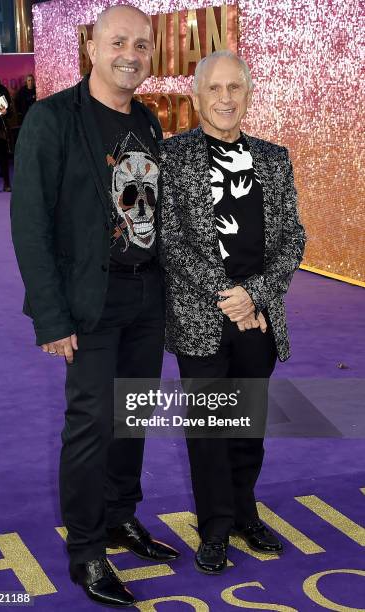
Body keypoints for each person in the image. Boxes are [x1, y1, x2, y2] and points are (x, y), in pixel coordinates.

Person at [11, 5, 179, 608]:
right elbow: (30, 226)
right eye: (117, 42)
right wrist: (51, 319)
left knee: (131, 417)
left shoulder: (150, 121)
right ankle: (86, 549)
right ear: (91, 47)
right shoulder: (53, 120)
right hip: (89, 301)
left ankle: (119, 516)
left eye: (141, 44)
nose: (129, 54)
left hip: (146, 296)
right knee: (90, 426)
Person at [159, 50, 306, 575]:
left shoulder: (273, 158)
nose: (225, 99)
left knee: (247, 426)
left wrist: (257, 295)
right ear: (196, 96)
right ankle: (215, 526)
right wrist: (231, 296)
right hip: (203, 317)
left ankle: (245, 512)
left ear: (248, 94)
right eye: (214, 89)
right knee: (209, 430)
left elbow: (293, 241)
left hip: (259, 319)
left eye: (234, 88)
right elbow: (171, 245)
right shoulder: (171, 158)